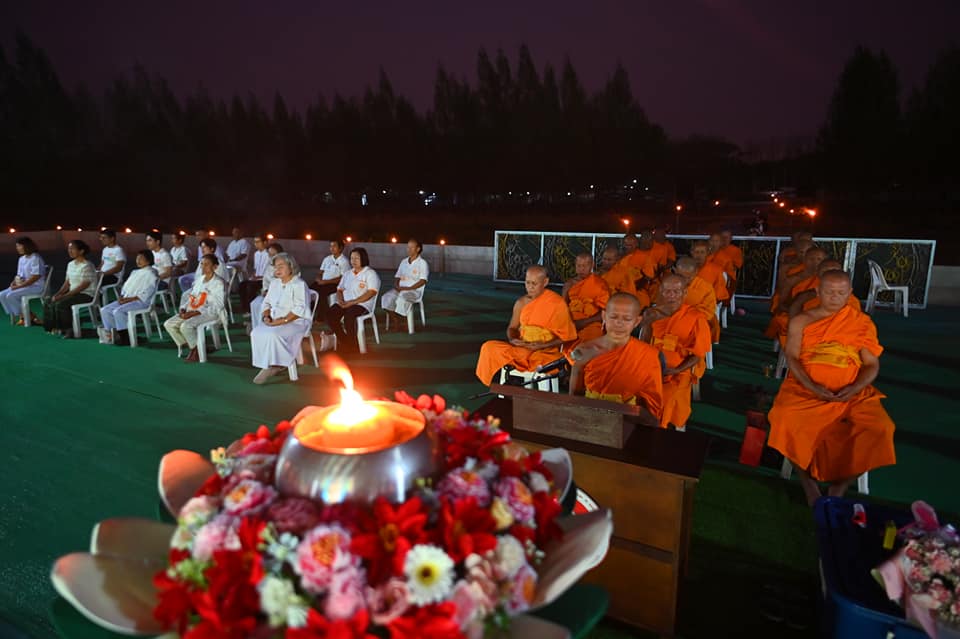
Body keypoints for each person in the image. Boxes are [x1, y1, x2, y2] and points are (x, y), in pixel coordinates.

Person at [767, 270, 896, 506]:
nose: (835, 297)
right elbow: (792, 358)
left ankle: (839, 487)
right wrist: (812, 386)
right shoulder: (801, 321)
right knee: (785, 419)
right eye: (829, 292)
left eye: (841, 293)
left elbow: (871, 364)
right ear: (818, 291)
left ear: (850, 293)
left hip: (852, 394)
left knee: (881, 428)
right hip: (805, 390)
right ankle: (809, 485)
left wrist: (854, 387)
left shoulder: (861, 323)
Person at [568, 292, 662, 427]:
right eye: (613, 317)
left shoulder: (647, 355)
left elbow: (652, 401)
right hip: (590, 418)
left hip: (628, 420)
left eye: (627, 319)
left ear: (637, 321)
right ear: (604, 316)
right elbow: (575, 395)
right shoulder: (585, 350)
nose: (619, 323)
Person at [475, 265, 577, 385]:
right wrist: (513, 338)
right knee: (488, 347)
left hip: (545, 352)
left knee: (545, 361)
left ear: (545, 282)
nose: (530, 287)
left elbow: (568, 336)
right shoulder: (521, 303)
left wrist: (543, 345)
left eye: (534, 283)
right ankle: (501, 383)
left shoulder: (557, 303)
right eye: (528, 282)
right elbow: (512, 328)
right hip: (523, 349)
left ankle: (518, 376)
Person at [640, 274, 711, 431]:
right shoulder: (652, 314)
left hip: (678, 371)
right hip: (652, 367)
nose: (671, 296)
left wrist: (677, 369)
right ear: (661, 292)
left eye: (676, 292)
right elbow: (643, 344)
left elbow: (698, 354)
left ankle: (661, 428)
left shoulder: (696, 318)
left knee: (667, 396)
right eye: (667, 291)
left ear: (685, 293)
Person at [250, 252, 311, 384]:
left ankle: (276, 365)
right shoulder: (274, 283)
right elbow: (266, 302)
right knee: (256, 332)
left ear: (291, 266)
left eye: (281, 266)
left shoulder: (299, 284)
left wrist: (281, 321)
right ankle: (268, 364)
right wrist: (266, 316)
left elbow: (299, 309)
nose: (277, 270)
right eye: (276, 267)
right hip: (276, 320)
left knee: (273, 334)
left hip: (296, 322)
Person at [163, 254, 226, 362]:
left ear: (215, 267)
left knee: (185, 326)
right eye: (202, 264)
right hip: (193, 310)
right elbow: (191, 297)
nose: (203, 267)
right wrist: (184, 308)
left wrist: (194, 313)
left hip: (210, 312)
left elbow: (217, 305)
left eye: (207, 264)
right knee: (169, 324)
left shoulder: (218, 283)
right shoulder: (199, 280)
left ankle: (195, 350)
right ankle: (195, 347)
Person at [765, 247, 827, 342]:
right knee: (783, 321)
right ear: (805, 260)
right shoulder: (794, 279)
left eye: (819, 259)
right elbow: (782, 303)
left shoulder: (830, 282)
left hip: (824, 317)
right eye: (811, 259)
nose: (815, 262)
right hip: (796, 314)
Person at [98, 250, 159, 345]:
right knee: (104, 310)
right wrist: (121, 297)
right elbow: (126, 286)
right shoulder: (135, 272)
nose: (138, 261)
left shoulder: (151, 274)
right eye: (137, 258)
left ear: (148, 261)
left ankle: (126, 337)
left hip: (141, 302)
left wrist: (128, 299)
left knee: (118, 311)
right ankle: (113, 334)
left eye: (141, 259)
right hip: (127, 300)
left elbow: (146, 293)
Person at [326, 247, 380, 352]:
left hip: (362, 304)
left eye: (357, 258)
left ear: (363, 259)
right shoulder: (347, 274)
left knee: (349, 316)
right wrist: (340, 300)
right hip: (345, 302)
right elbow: (339, 290)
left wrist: (352, 302)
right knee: (329, 314)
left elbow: (371, 292)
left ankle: (354, 345)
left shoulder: (370, 273)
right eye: (351, 258)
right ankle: (345, 340)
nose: (353, 261)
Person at [42, 239, 97, 337]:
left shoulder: (87, 265)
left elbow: (84, 285)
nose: (70, 251)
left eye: (72, 249)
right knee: (49, 300)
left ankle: (68, 329)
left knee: (62, 303)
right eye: (69, 249)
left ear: (81, 251)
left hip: (86, 294)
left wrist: (64, 295)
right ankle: (52, 327)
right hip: (73, 293)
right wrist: (58, 293)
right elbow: (67, 282)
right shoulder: (70, 264)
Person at [381, 238, 429, 331]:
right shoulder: (403, 261)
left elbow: (423, 281)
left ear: (418, 249)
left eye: (411, 247)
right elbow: (397, 276)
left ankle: (405, 321)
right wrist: (396, 286)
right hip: (400, 289)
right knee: (386, 297)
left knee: (402, 298)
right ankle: (396, 320)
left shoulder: (423, 263)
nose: (409, 249)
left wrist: (409, 288)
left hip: (414, 291)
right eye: (408, 247)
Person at [562, 253, 610, 344]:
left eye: (585, 265)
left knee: (593, 338)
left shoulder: (599, 284)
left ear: (592, 265)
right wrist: (571, 323)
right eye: (579, 265)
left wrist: (584, 322)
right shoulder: (569, 284)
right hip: (571, 322)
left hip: (592, 323)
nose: (582, 269)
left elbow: (605, 311)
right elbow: (562, 308)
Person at [673, 256, 720, 343]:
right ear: (675, 271)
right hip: (673, 319)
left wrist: (684, 314)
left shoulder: (706, 287)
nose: (684, 280)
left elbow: (707, 311)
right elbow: (662, 303)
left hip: (696, 322)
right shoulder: (670, 283)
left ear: (695, 272)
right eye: (680, 276)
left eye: (688, 277)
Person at [0, 236, 46, 324]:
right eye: (17, 246)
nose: (17, 248)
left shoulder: (36, 258)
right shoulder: (21, 259)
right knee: (1, 295)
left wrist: (19, 286)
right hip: (22, 285)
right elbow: (19, 275)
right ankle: (26, 316)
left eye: (19, 246)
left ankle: (27, 317)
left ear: (27, 246)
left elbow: (35, 277)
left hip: (35, 286)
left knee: (10, 295)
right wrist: (13, 283)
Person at [310, 239, 350, 317]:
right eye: (330, 246)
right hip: (323, 283)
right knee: (309, 290)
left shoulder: (344, 261)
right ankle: (309, 313)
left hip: (335, 284)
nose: (332, 248)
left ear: (341, 248)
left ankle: (321, 317)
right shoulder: (327, 259)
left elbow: (343, 278)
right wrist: (318, 279)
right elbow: (320, 272)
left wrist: (326, 282)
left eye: (334, 246)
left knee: (321, 293)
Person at [250, 242, 284, 329]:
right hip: (268, 294)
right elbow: (265, 281)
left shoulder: (286, 266)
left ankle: (267, 326)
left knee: (263, 305)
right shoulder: (269, 266)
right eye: (269, 255)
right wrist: (265, 290)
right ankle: (256, 327)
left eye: (274, 254)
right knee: (255, 304)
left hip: (280, 295)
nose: (271, 257)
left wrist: (272, 293)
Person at [239, 234, 271, 313]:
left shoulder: (269, 254)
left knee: (250, 287)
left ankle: (251, 310)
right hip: (256, 278)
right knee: (242, 285)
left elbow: (269, 271)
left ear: (265, 242)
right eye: (255, 242)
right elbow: (255, 268)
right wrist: (253, 275)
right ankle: (245, 309)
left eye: (258, 242)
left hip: (264, 279)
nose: (256, 244)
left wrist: (260, 276)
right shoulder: (256, 254)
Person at [690, 240, 729, 305]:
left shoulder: (716, 270)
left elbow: (719, 295)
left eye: (702, 252)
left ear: (707, 253)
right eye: (696, 252)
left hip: (707, 304)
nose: (699, 255)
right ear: (691, 253)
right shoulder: (685, 268)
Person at [617, 231, 656, 296]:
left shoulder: (644, 257)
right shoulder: (619, 257)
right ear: (623, 244)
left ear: (637, 244)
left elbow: (649, 277)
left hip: (638, 293)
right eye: (626, 245)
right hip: (620, 292)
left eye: (631, 245)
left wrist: (635, 287)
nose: (628, 247)